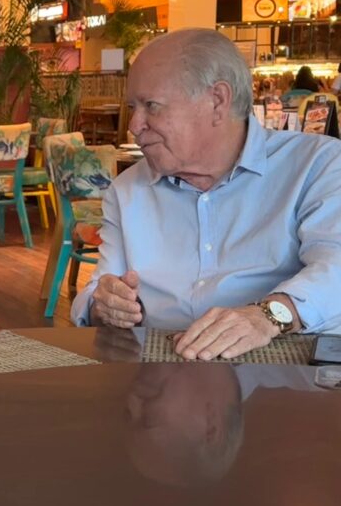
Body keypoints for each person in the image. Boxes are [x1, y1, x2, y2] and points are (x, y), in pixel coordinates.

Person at [71, 28, 341, 359]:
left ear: (217, 101)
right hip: (162, 381)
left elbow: (336, 267)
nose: (134, 124)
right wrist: (105, 305)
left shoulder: (316, 164)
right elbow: (95, 293)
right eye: (132, 107)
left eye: (151, 106)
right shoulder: (128, 191)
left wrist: (268, 315)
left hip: (286, 377)